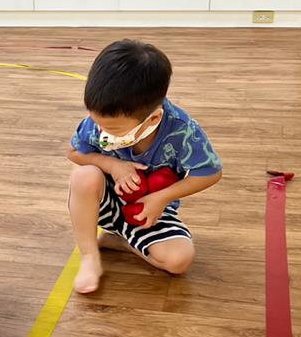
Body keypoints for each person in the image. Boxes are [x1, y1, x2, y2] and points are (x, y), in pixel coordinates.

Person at [68, 40, 222, 294]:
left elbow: (210, 173)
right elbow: (74, 152)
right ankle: (89, 256)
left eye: (113, 128)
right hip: (105, 202)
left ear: (153, 118)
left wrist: (162, 198)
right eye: (98, 123)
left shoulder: (183, 131)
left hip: (149, 210)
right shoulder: (99, 121)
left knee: (179, 261)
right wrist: (112, 165)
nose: (102, 131)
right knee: (84, 176)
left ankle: (122, 241)